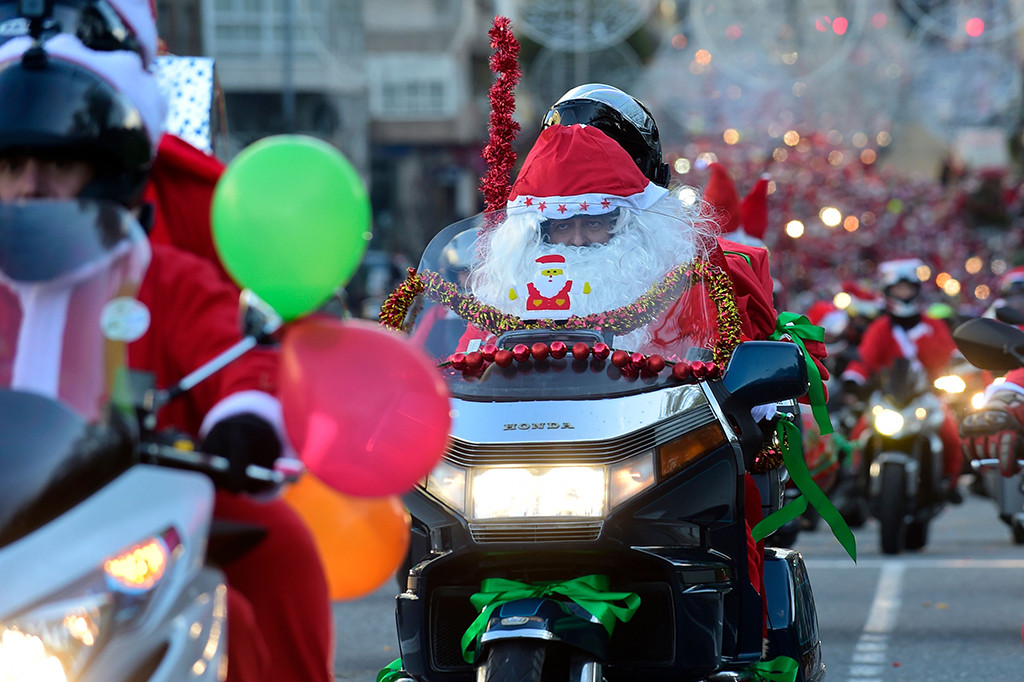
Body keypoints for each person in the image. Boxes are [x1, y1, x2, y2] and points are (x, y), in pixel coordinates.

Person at [0, 33, 334, 682]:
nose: (30, 187)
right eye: (10, 166)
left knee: (276, 558)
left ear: (105, 173)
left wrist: (244, 416)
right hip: (6, 510)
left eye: (55, 164)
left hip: (138, 516)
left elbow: (234, 353)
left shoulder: (163, 276)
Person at [840, 258, 963, 501]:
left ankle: (950, 480)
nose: (903, 294)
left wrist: (955, 372)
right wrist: (853, 379)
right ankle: (856, 477)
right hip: (889, 395)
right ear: (888, 292)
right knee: (860, 432)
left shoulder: (933, 326)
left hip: (926, 395)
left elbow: (950, 357)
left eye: (908, 288)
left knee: (950, 431)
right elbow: (865, 361)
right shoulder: (880, 328)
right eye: (898, 289)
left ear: (917, 290)